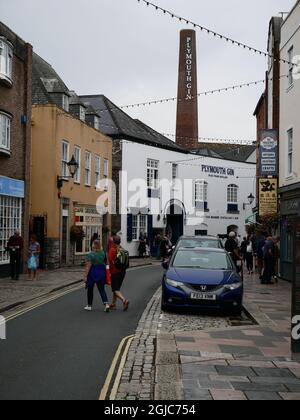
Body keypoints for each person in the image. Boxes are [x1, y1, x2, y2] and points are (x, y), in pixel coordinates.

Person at [84, 240, 110, 312]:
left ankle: (89, 305)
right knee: (101, 289)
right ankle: (106, 304)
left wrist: (85, 276)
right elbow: (107, 263)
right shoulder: (104, 253)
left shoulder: (91, 254)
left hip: (92, 273)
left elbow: (88, 266)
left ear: (93, 245)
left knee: (90, 289)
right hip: (101, 272)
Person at [109, 235, 129, 311]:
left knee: (115, 289)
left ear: (113, 242)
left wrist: (108, 271)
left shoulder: (113, 249)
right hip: (123, 272)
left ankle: (124, 300)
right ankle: (113, 304)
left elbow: (110, 261)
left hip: (115, 272)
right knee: (117, 288)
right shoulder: (122, 249)